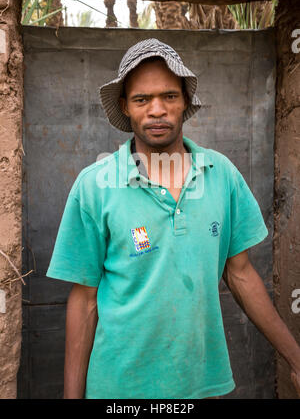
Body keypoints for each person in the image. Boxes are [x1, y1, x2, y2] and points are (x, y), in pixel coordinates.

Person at [46, 38, 300, 400]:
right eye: (141, 99)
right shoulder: (95, 186)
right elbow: (84, 300)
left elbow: (240, 273)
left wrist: (295, 360)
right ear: (125, 107)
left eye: (169, 96)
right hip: (119, 389)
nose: (156, 110)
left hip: (201, 384)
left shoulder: (221, 174)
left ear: (185, 101)